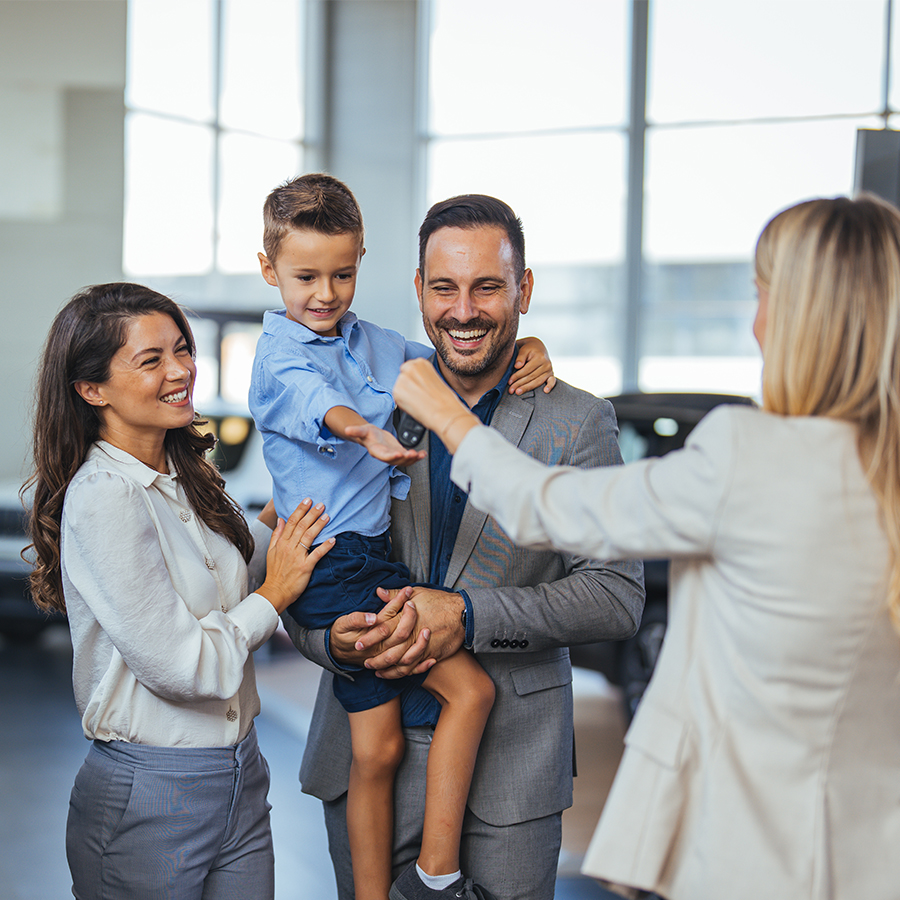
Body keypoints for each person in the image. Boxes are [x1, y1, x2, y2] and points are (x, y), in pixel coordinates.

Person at [392, 193, 900, 900]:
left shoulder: (748, 454)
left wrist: (447, 414)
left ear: (801, 313)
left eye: (762, 294)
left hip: (750, 849)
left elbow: (552, 510)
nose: (755, 321)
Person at [284, 193, 646, 900]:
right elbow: (304, 561)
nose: (464, 310)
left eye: (488, 286)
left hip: (510, 770)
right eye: (444, 287)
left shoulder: (577, 422)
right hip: (363, 756)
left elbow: (615, 595)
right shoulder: (362, 407)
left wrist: (468, 614)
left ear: (525, 289)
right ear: (419, 289)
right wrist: (333, 643)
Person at [249, 174, 555, 900]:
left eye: (343, 274)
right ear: (269, 271)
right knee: (471, 694)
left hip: (363, 555)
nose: (324, 294)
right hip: (338, 562)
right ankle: (436, 876)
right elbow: (321, 406)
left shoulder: (377, 344)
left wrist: (529, 343)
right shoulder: (278, 356)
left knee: (378, 752)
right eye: (305, 277)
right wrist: (367, 435)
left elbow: (459, 351)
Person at [24, 282, 333, 900]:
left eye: (183, 350)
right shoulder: (106, 497)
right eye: (152, 359)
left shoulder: (187, 472)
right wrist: (274, 598)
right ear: (92, 390)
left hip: (241, 772)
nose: (182, 370)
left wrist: (313, 481)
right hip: (150, 791)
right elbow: (183, 665)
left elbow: (238, 572)